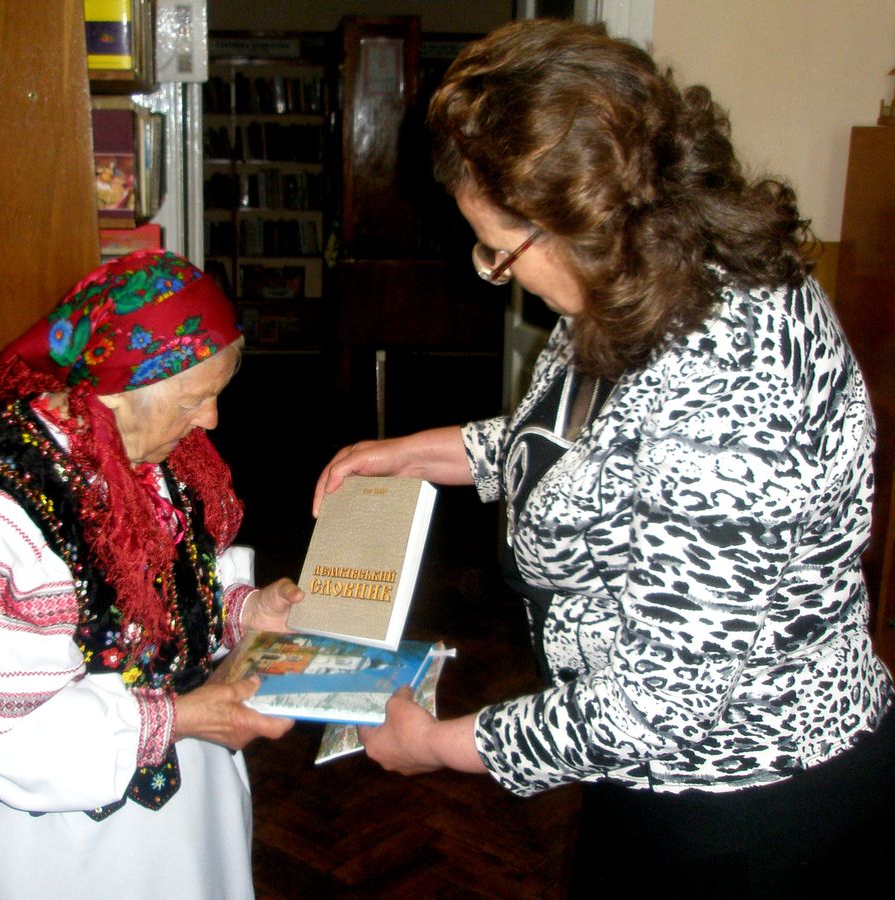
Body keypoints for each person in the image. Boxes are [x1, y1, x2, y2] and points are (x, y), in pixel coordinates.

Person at [313, 19, 894, 896]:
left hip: (746, 800)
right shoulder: (630, 279)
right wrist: (419, 454)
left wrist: (436, 743)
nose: (498, 271)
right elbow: (588, 454)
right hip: (645, 778)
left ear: (571, 224)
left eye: (497, 251)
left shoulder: (733, 374)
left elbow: (658, 706)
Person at [0, 249, 304, 899]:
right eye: (195, 399)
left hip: (174, 814)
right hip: (62, 846)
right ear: (115, 388)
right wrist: (177, 719)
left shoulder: (152, 452)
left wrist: (244, 611)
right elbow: (3, 731)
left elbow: (161, 598)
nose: (211, 419)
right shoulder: (3, 506)